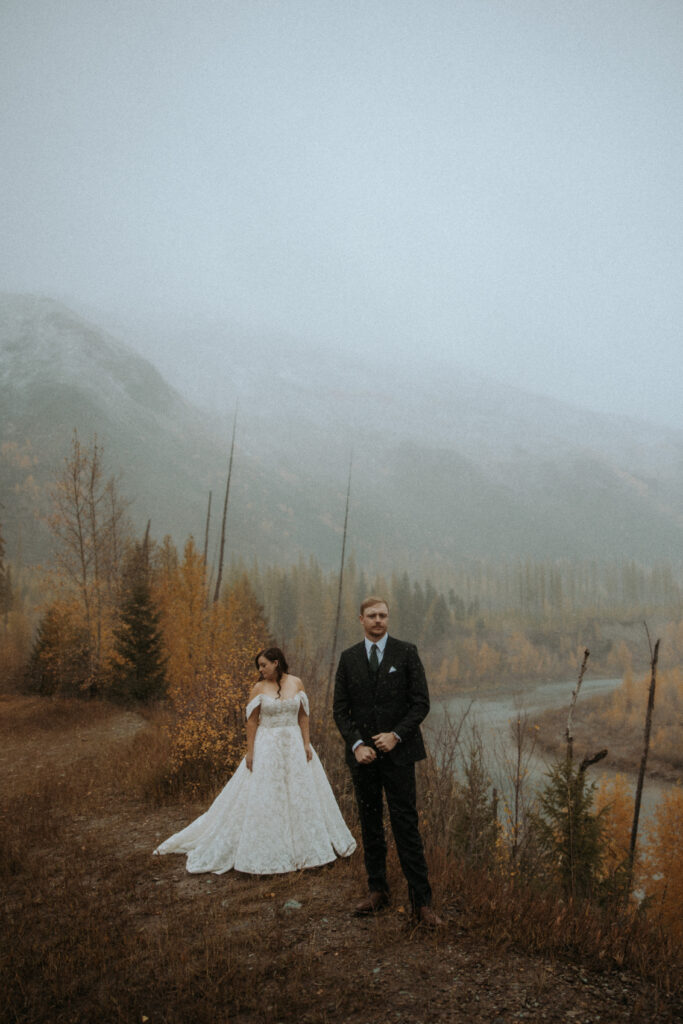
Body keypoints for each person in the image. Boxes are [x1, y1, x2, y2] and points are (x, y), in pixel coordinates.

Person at [154, 647, 356, 874]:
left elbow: (303, 716)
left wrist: (306, 743)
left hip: (293, 744)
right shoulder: (258, 688)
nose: (261, 670)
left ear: (276, 663)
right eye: (259, 666)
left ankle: (306, 851)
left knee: (301, 794)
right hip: (268, 745)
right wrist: (251, 752)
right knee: (267, 794)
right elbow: (251, 722)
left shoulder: (296, 683)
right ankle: (270, 850)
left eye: (263, 665)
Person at [333, 597, 442, 926]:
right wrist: (356, 745)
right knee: (370, 824)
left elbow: (421, 703)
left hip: (400, 756)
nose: (378, 620)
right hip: (363, 759)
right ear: (361, 619)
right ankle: (377, 891)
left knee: (406, 825)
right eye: (372, 615)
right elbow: (340, 710)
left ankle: (422, 904)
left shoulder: (406, 652)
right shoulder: (349, 658)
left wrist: (396, 735)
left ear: (388, 618)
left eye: (383, 615)